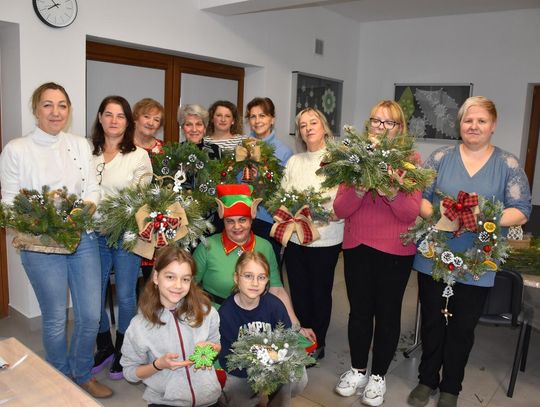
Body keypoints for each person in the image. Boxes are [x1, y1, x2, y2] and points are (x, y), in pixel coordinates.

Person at [407, 96, 532, 407]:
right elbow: (420, 199)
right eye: (468, 120)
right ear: (459, 124)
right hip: (434, 254)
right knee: (433, 322)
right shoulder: (440, 157)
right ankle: (426, 379)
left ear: (493, 125)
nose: (474, 126)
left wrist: (482, 219)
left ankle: (451, 386)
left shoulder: (507, 165)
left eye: (481, 121)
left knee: (462, 327)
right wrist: (441, 218)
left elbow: (521, 210)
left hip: (478, 259)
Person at [0, 82, 112, 398]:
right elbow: (9, 200)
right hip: (40, 243)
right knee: (55, 318)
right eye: (47, 104)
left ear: (69, 110)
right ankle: (60, 379)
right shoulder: (17, 149)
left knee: (90, 315)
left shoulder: (80, 145)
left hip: (81, 237)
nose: (55, 112)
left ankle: (82, 373)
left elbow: (92, 189)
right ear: (36, 109)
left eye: (62, 105)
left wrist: (84, 210)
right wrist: (41, 220)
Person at [333, 100, 422, 406]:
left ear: (400, 128)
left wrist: (392, 193)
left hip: (395, 250)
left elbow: (410, 213)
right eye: (376, 121)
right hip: (357, 245)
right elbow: (340, 208)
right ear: (369, 124)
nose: (381, 127)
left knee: (387, 315)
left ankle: (378, 376)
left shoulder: (410, 160)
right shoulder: (355, 156)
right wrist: (359, 189)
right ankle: (358, 369)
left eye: (389, 122)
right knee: (359, 313)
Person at [193, 183, 316, 343]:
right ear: (223, 221)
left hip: (257, 320)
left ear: (251, 220)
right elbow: (189, 286)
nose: (237, 227)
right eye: (230, 221)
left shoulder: (265, 246)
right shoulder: (207, 246)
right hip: (216, 318)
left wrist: (296, 327)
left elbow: (277, 290)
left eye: (242, 220)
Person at [91, 95, 153, 381]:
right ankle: (104, 344)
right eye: (109, 114)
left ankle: (122, 349)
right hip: (93, 235)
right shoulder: (87, 152)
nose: (114, 120)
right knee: (94, 293)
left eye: (120, 116)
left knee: (126, 295)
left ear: (128, 122)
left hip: (127, 235)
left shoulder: (138, 155)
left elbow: (140, 197)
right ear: (100, 117)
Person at [121, 245, 221, 407]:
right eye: (170, 277)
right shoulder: (139, 326)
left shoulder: (206, 312)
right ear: (156, 277)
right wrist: (158, 365)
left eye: (185, 279)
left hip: (208, 399)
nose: (178, 285)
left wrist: (212, 349)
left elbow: (216, 345)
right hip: (165, 401)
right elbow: (129, 372)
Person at [281, 107, 344, 362]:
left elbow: (342, 201)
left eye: (313, 122)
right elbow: (284, 195)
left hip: (325, 240)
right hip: (296, 238)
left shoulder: (337, 162)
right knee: (298, 291)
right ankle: (302, 338)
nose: (308, 128)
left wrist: (328, 212)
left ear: (324, 127)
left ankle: (319, 342)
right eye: (303, 125)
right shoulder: (294, 161)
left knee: (319, 293)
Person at [219, 251, 308, 406]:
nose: (255, 283)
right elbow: (227, 357)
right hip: (241, 370)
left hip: (274, 363)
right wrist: (257, 369)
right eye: (248, 276)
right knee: (236, 390)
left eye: (261, 277)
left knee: (297, 376)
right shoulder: (226, 313)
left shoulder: (275, 306)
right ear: (236, 278)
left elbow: (288, 340)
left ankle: (279, 402)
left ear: (267, 280)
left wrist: (274, 361)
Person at [245, 97, 293, 261]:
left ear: (272, 119)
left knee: (268, 267)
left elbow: (284, 191)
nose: (257, 121)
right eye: (253, 116)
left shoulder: (284, 152)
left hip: (269, 219)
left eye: (262, 115)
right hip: (243, 219)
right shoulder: (242, 148)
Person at [132, 97, 165, 285]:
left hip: (155, 221)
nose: (151, 122)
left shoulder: (164, 149)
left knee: (152, 278)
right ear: (136, 118)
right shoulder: (123, 146)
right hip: (128, 216)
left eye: (156, 119)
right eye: (147, 116)